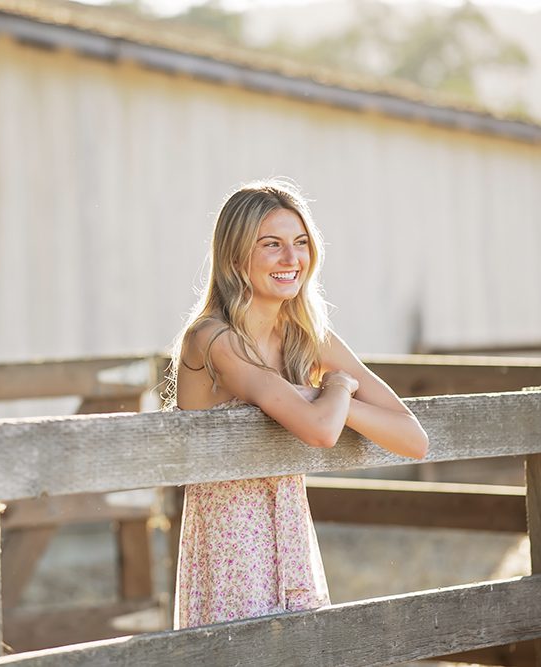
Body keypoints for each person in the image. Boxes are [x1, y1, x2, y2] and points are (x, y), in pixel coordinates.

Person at [167, 178, 428, 629]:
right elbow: (321, 430)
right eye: (272, 244)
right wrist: (337, 390)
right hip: (230, 547)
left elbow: (413, 439)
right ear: (234, 256)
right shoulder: (212, 338)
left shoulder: (305, 335)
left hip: (289, 536)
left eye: (301, 242)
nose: (292, 259)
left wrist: (333, 399)